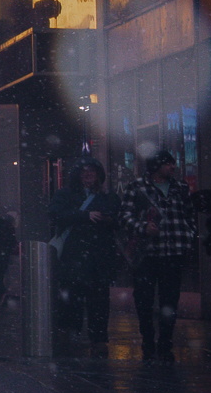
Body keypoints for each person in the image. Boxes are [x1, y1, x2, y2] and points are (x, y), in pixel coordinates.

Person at [122, 153, 201, 363]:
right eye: (168, 163)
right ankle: (148, 339)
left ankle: (165, 342)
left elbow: (189, 214)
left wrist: (189, 234)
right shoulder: (137, 187)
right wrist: (142, 227)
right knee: (144, 299)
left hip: (174, 250)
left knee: (170, 300)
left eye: (173, 163)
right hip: (147, 253)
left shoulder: (180, 187)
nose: (172, 167)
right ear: (157, 166)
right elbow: (125, 215)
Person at [54, 160, 120, 352]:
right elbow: (55, 213)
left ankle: (97, 337)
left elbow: (117, 218)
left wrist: (107, 219)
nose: (89, 175)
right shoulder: (66, 195)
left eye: (92, 172)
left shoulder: (108, 197)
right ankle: (69, 331)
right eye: (84, 172)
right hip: (74, 257)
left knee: (98, 300)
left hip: (99, 258)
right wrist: (84, 216)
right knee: (71, 298)